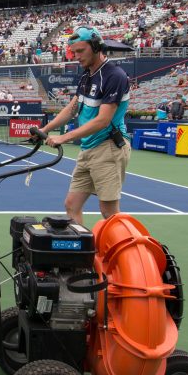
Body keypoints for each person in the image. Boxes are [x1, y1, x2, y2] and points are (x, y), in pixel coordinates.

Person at [34, 27, 131, 226]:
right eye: (73, 52)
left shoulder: (114, 76)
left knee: (109, 212)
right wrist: (45, 129)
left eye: (80, 51)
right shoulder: (87, 76)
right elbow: (71, 109)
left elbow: (103, 120)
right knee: (72, 205)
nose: (76, 56)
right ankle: (83, 254)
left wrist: (64, 137)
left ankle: (126, 253)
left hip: (108, 148)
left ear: (96, 47)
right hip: (88, 149)